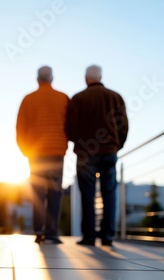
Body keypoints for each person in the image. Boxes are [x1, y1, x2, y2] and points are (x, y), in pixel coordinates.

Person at [66, 65, 129, 246]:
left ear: (86, 79)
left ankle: (89, 236)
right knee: (109, 194)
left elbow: (70, 129)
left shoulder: (78, 99)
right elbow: (123, 126)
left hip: (86, 153)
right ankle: (107, 236)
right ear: (100, 77)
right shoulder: (115, 97)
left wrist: (79, 142)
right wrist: (117, 145)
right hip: (109, 151)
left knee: (87, 195)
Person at [16, 66, 69, 244]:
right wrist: (64, 145)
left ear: (37, 79)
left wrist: (25, 150)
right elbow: (69, 125)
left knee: (37, 193)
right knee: (55, 192)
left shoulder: (28, 99)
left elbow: (20, 128)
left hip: (36, 154)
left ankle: (39, 232)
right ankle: (52, 232)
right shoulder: (63, 98)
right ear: (52, 79)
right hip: (56, 152)